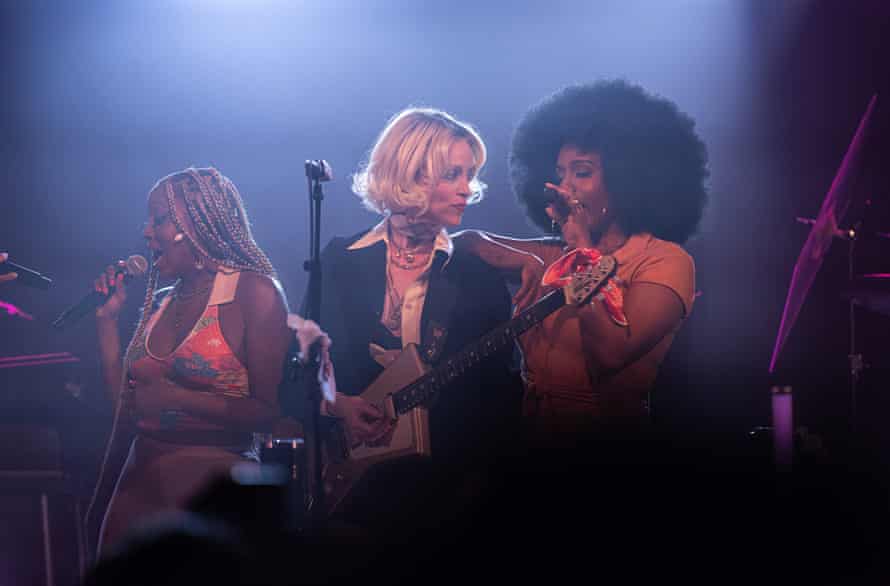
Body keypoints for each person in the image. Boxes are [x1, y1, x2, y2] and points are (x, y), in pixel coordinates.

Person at [295, 107, 520, 538]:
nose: (467, 190)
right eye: (453, 174)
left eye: (470, 175)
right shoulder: (339, 261)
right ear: (412, 174)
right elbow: (296, 371)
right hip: (348, 491)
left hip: (444, 499)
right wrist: (338, 405)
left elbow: (499, 399)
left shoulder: (476, 275)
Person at [454, 79, 708, 439]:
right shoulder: (550, 254)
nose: (565, 187)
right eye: (560, 174)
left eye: (582, 172)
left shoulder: (665, 261)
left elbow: (609, 354)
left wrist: (581, 250)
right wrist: (521, 260)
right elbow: (459, 242)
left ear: (627, 180)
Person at [86, 167, 293, 556]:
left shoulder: (253, 291)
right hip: (138, 486)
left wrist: (178, 399)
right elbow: (122, 409)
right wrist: (107, 322)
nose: (147, 231)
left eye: (159, 219)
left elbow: (270, 412)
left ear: (200, 221)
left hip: (215, 492)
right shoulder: (163, 302)